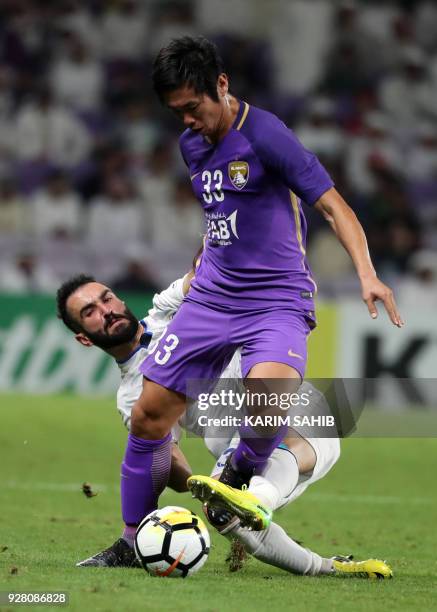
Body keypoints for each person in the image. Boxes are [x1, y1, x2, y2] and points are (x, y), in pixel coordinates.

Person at [119, 35, 403, 535]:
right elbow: (221, 215)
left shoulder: (267, 134)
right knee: (148, 415)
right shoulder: (192, 144)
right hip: (211, 296)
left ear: (222, 85)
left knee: (268, 402)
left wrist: (367, 272)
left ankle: (239, 474)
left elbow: (333, 206)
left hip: (276, 300)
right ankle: (130, 540)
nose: (186, 120)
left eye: (192, 106)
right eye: (176, 111)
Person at [56, 273, 392, 579]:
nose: (107, 310)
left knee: (275, 428)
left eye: (107, 298)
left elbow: (204, 267)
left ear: (121, 300)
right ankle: (326, 567)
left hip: (289, 407)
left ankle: (257, 497)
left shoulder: (167, 307)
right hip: (231, 453)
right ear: (85, 338)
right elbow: (171, 464)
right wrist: (193, 483)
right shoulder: (132, 397)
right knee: (221, 510)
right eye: (91, 312)